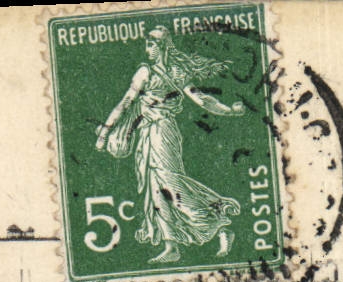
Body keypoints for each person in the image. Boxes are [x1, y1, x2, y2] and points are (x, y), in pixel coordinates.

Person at [96, 27, 246, 263]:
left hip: (164, 132)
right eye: (147, 45)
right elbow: (125, 103)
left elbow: (202, 98)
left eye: (152, 44)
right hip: (146, 133)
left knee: (169, 183)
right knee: (155, 188)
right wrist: (105, 131)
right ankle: (171, 244)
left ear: (164, 45)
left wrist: (229, 111)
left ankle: (217, 224)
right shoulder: (144, 72)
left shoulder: (176, 72)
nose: (148, 50)